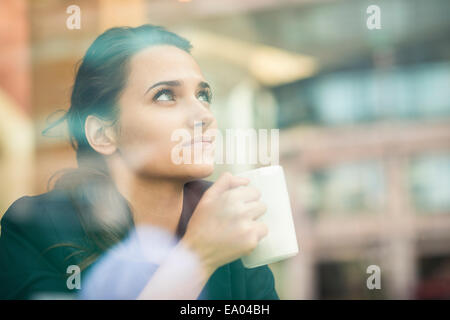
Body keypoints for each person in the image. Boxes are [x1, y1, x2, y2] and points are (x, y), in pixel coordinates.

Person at [0, 24, 279, 300]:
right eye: (165, 95)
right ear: (102, 134)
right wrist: (198, 257)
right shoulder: (36, 230)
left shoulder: (228, 220)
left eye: (203, 95)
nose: (203, 116)